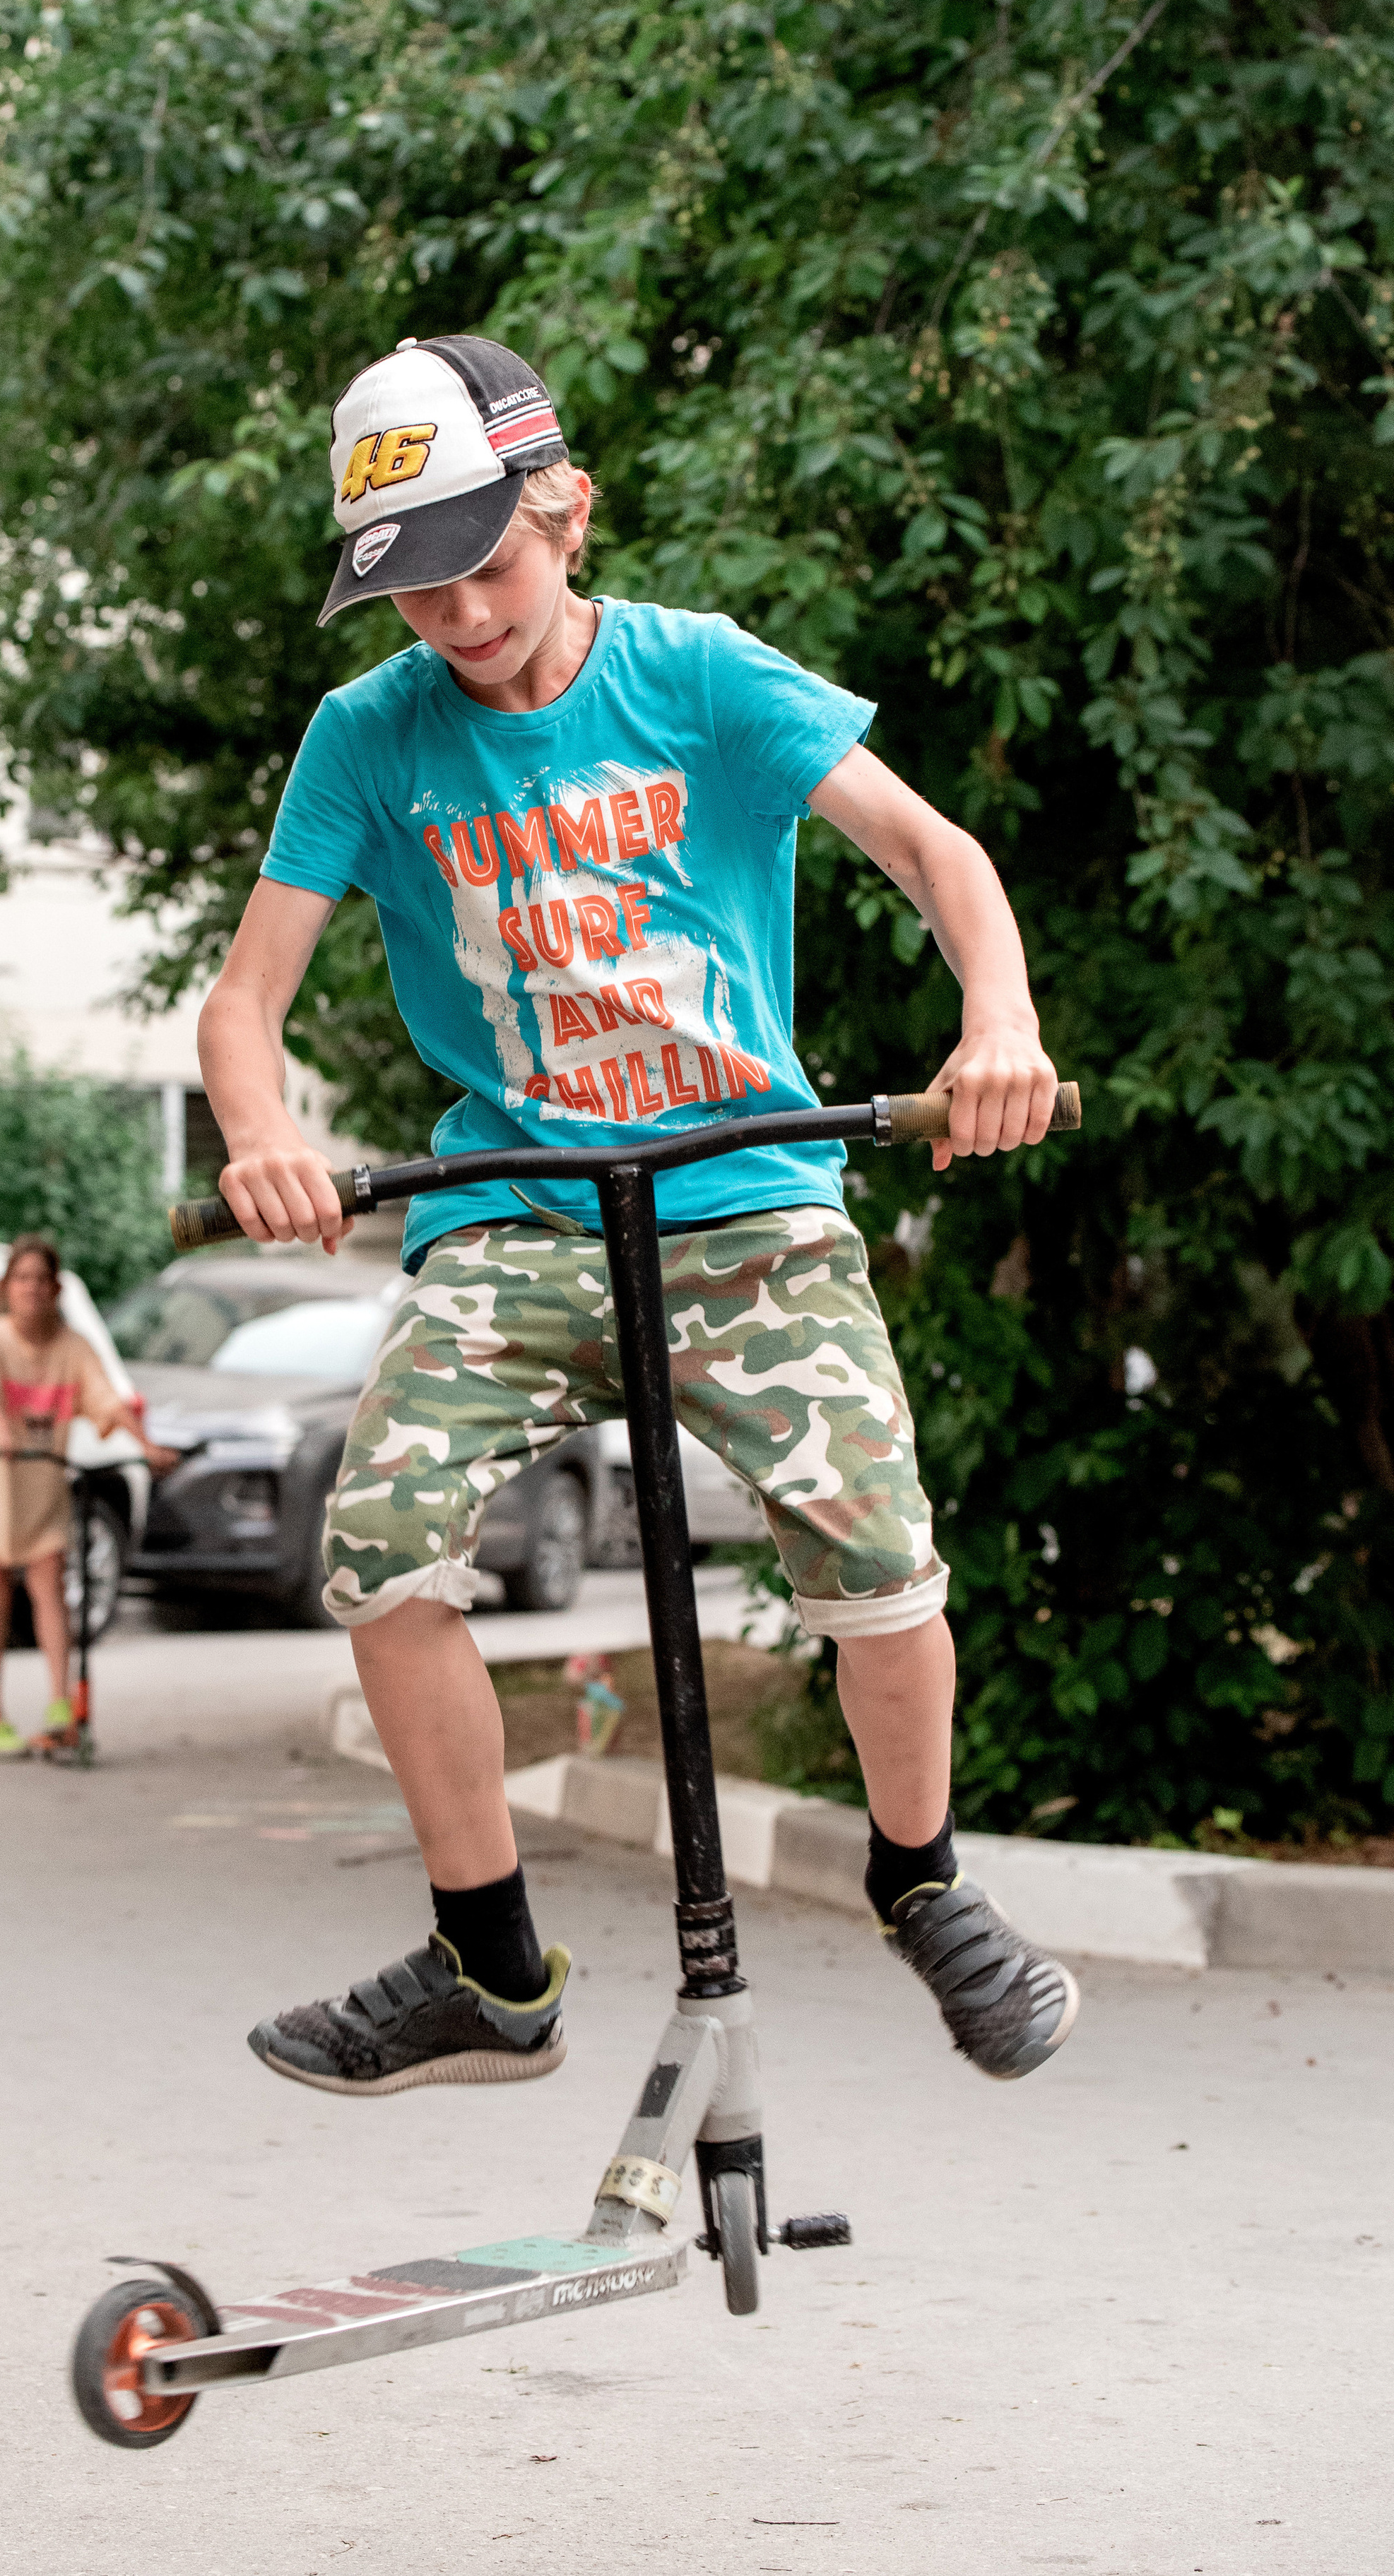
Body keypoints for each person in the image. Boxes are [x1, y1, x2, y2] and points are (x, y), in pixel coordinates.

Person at [197, 331, 1081, 2098]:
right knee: (378, 1547)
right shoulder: (365, 736)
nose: (451, 616)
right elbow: (245, 1002)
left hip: (745, 1199)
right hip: (516, 1215)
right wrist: (260, 1130)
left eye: (484, 566)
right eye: (409, 591)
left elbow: (935, 856)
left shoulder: (697, 676)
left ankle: (919, 1878)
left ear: (565, 506)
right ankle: (488, 1960)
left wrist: (996, 1023)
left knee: (879, 1565)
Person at [0, 1233, 175, 1758]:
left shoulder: (72, 1347)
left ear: (55, 1288)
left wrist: (146, 1446)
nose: (32, 1289)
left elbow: (107, 1400)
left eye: (41, 1279)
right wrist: (1, 1431)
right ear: (6, 1287)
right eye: (22, 1278)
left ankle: (61, 1702)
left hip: (45, 1484)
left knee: (50, 1589)